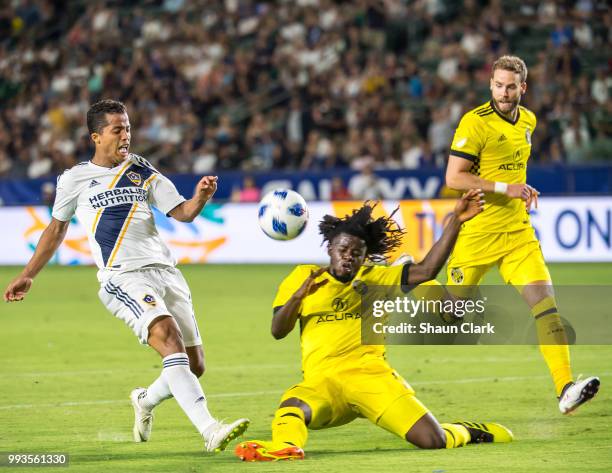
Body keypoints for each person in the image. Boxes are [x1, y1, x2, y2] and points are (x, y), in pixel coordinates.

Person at [3, 99, 249, 452]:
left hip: (166, 272)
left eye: (128, 128)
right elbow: (56, 229)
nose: (126, 136)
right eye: (117, 129)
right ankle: (210, 429)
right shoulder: (75, 179)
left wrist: (201, 198)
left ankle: (145, 399)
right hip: (123, 276)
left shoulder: (142, 170)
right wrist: (29, 274)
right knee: (167, 336)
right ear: (96, 136)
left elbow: (182, 213)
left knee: (194, 366)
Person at [235, 193, 514, 462]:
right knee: (292, 408)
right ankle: (285, 448)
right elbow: (277, 330)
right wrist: (299, 296)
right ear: (329, 249)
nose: (348, 257)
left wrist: (456, 220)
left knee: (433, 440)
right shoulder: (301, 277)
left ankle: (469, 430)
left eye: (356, 253)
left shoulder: (378, 278)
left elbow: (427, 270)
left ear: (364, 256)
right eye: (343, 250)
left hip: (371, 378)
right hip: (323, 384)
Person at [444, 55, 599, 414]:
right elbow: (453, 178)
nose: (503, 91)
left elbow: (513, 168)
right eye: (498, 85)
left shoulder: (528, 120)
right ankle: (411, 275)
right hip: (478, 232)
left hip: (517, 233)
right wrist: (505, 187)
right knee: (450, 313)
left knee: (546, 306)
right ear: (491, 85)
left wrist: (521, 189)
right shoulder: (475, 122)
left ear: (523, 88)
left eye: (511, 86)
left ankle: (565, 389)